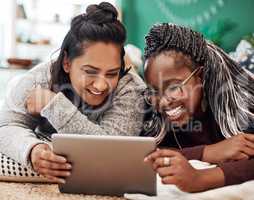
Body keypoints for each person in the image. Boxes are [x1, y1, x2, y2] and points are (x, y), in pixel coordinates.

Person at [0, 2, 145, 183]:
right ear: (67, 62)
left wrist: (53, 106)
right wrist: (31, 149)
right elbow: (5, 125)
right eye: (90, 71)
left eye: (112, 73)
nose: (101, 85)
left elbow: (112, 154)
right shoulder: (41, 77)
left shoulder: (130, 89)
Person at [142, 23, 254, 192]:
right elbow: (143, 154)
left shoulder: (240, 107)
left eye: (173, 87)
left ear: (200, 76)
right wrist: (207, 152)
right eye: (154, 91)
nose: (163, 102)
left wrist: (201, 178)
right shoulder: (152, 108)